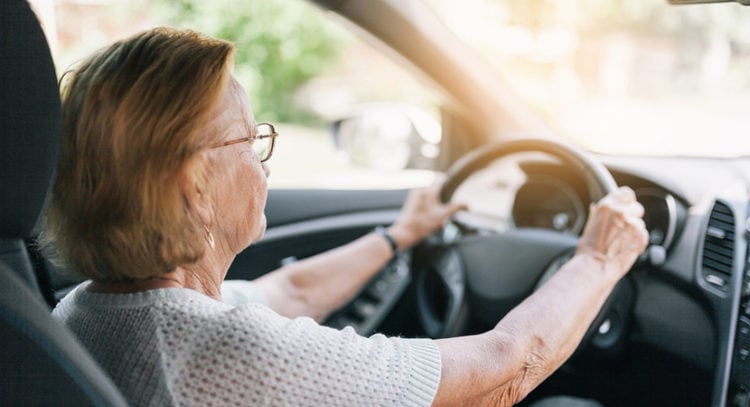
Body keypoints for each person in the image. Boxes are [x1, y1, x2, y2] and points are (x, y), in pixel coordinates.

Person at [44, 27, 648, 406]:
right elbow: (502, 375)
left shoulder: (82, 312)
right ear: (194, 184)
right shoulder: (227, 351)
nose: (264, 165)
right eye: (251, 141)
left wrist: (399, 236)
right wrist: (598, 259)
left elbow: (293, 289)